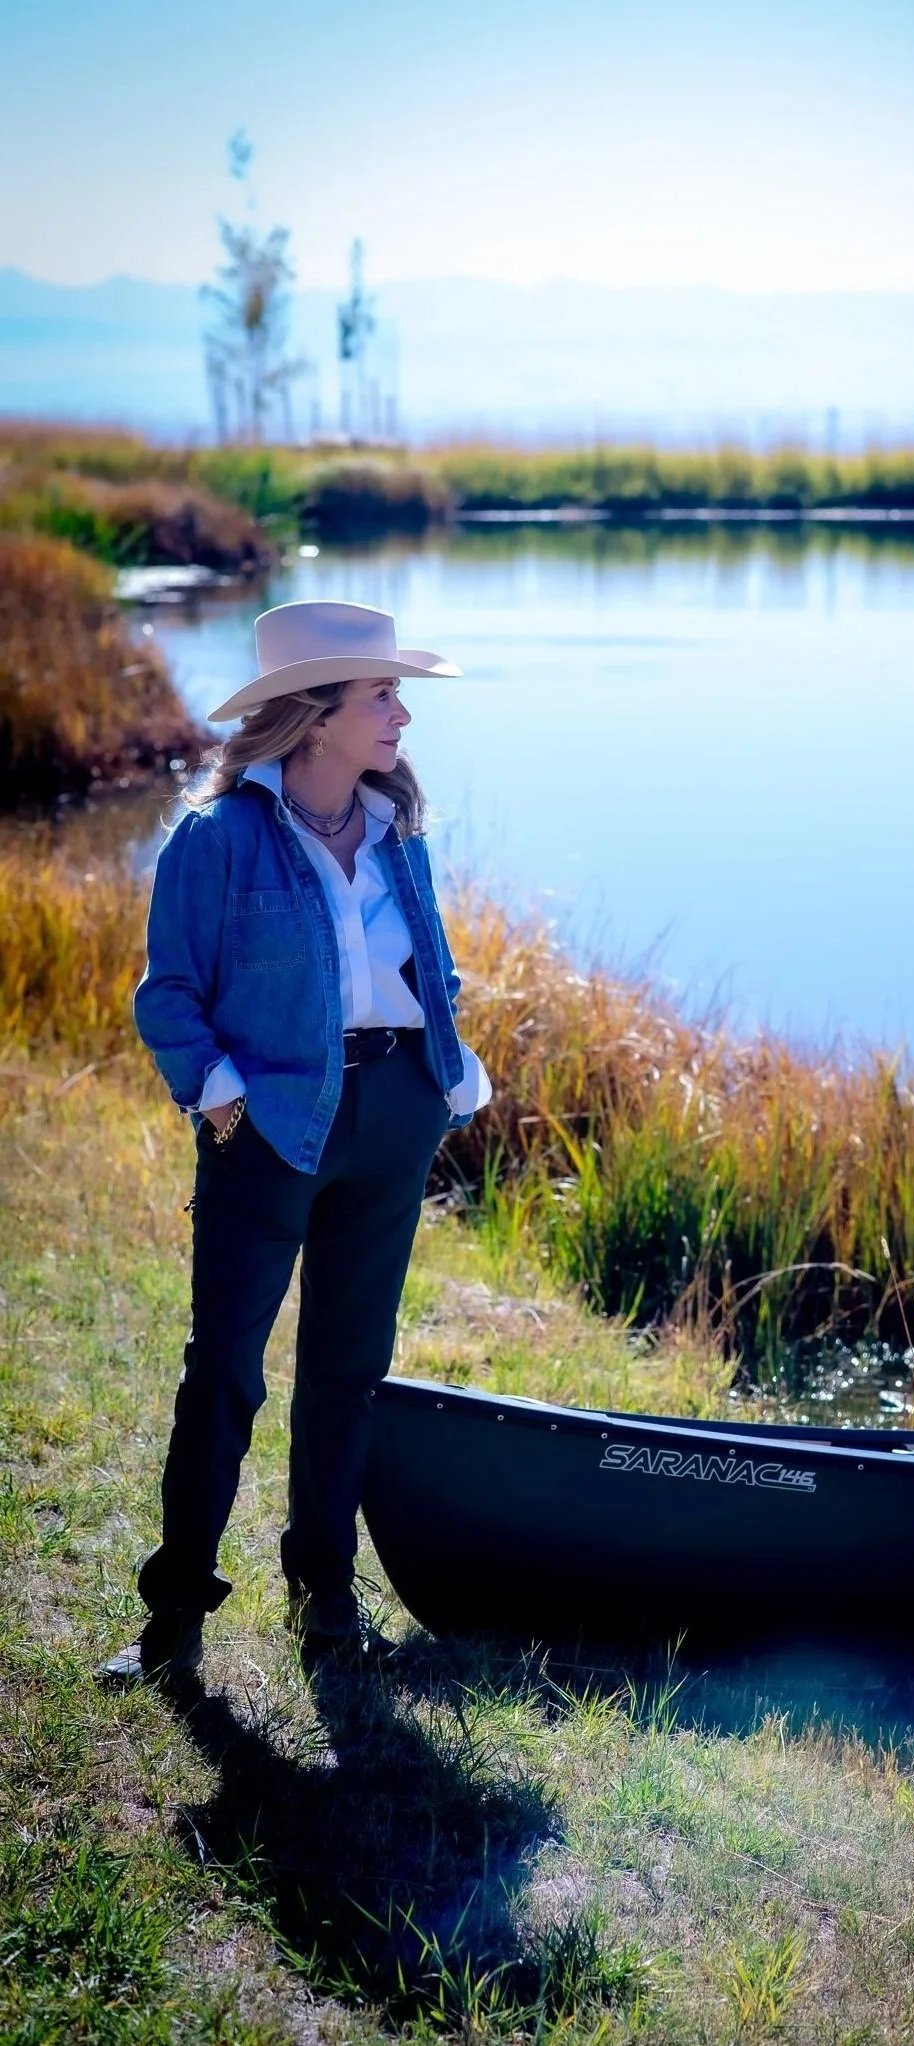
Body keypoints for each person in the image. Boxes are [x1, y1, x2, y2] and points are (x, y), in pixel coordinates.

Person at [101, 599, 491, 1685]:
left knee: (348, 1371)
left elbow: (429, 967)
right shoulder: (218, 837)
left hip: (395, 1117)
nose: (402, 715)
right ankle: (174, 1614)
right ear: (316, 714)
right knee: (224, 1372)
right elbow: (169, 994)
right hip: (267, 1127)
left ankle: (324, 1594)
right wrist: (218, 1095)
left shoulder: (396, 827)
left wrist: (447, 1074)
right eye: (382, 695)